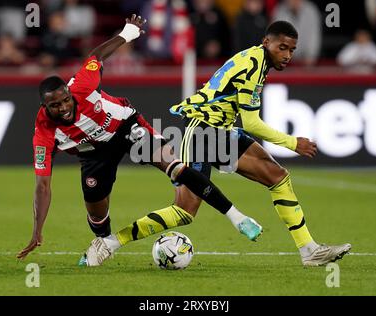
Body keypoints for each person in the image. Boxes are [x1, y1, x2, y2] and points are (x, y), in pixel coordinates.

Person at [16, 14, 262, 266]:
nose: (64, 107)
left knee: (175, 166)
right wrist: (37, 230)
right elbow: (42, 186)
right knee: (96, 213)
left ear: (69, 93)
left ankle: (237, 217)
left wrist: (127, 33)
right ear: (45, 107)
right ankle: (104, 242)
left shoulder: (82, 85)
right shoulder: (44, 131)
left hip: (126, 126)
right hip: (93, 153)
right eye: (55, 105)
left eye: (65, 100)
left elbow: (96, 56)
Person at [168, 20, 352, 267]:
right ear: (267, 42)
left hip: (220, 131)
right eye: (283, 48)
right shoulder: (253, 64)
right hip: (201, 129)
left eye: (292, 50)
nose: (287, 55)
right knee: (185, 211)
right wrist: (292, 143)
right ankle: (112, 240)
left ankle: (309, 250)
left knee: (277, 176)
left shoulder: (260, 61)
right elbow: (252, 123)